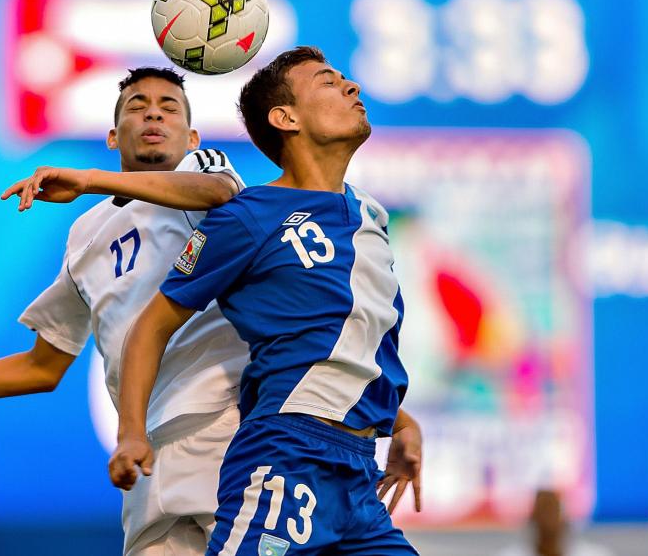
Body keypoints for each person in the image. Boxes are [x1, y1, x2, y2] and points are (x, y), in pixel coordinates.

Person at [0, 66, 421, 555]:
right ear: (113, 134)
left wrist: (89, 178)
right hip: (145, 462)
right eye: (138, 105)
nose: (154, 113)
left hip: (230, 432)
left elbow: (223, 199)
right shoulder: (86, 237)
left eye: (170, 106)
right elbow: (41, 367)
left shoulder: (208, 180)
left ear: (193, 138)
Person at [110, 47, 420, 555]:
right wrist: (130, 433)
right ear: (285, 118)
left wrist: (402, 423)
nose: (352, 88)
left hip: (359, 476)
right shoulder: (249, 215)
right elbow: (153, 325)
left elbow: (352, 338)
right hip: (287, 457)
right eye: (328, 81)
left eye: (346, 80)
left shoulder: (371, 216)